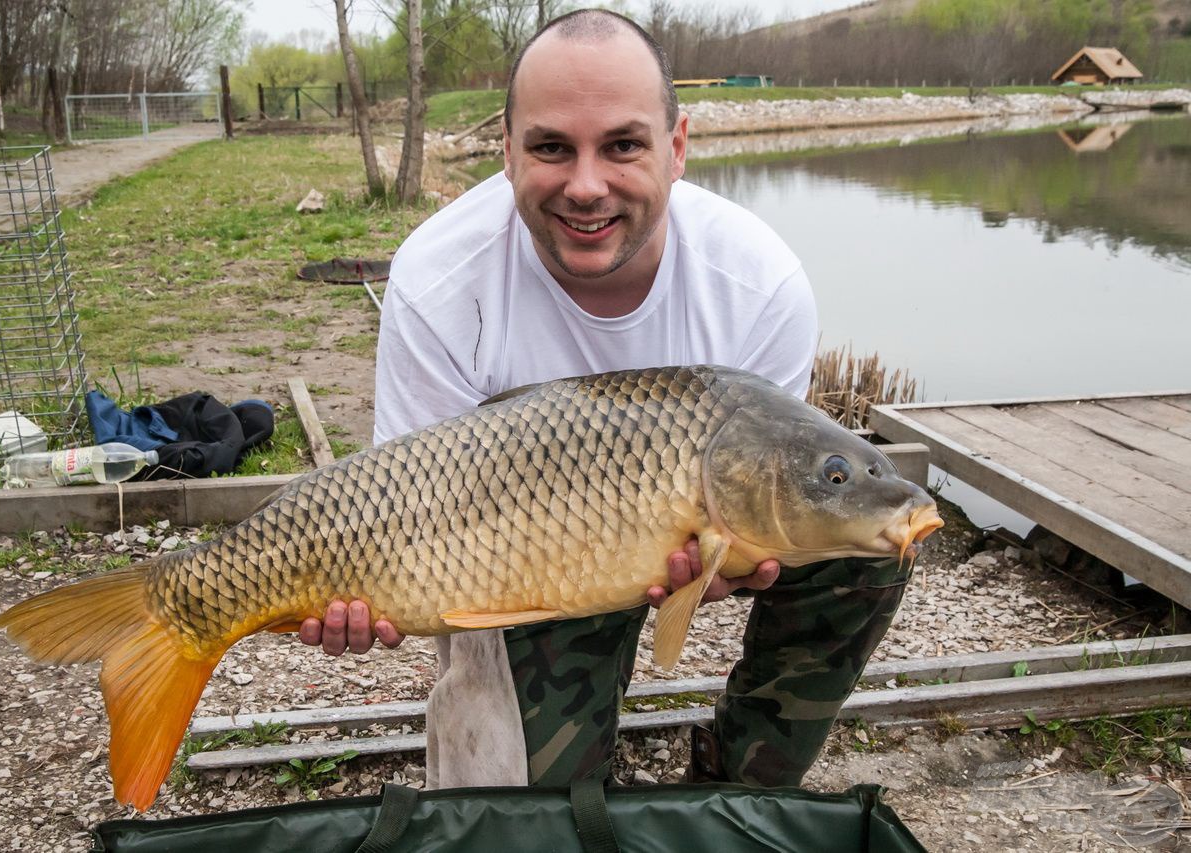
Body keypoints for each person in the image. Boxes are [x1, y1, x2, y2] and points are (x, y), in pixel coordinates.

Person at [299, 9, 912, 788]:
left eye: (622, 145)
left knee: (864, 521)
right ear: (508, 153)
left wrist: (725, 564)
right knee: (523, 812)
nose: (586, 187)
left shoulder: (759, 285)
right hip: (515, 554)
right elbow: (411, 521)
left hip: (691, 518)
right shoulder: (438, 279)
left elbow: (773, 489)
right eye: (552, 147)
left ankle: (741, 789)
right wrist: (345, 591)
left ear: (678, 147)